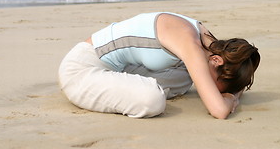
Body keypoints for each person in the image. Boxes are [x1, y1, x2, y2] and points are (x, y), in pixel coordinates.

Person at [59, 12, 260, 119]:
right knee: (152, 100)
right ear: (216, 61)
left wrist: (232, 92)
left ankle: (121, 87)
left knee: (184, 78)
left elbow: (231, 86)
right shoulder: (189, 42)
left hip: (120, 68)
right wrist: (230, 100)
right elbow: (219, 111)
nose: (208, 86)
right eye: (214, 82)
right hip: (81, 70)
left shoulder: (209, 42)